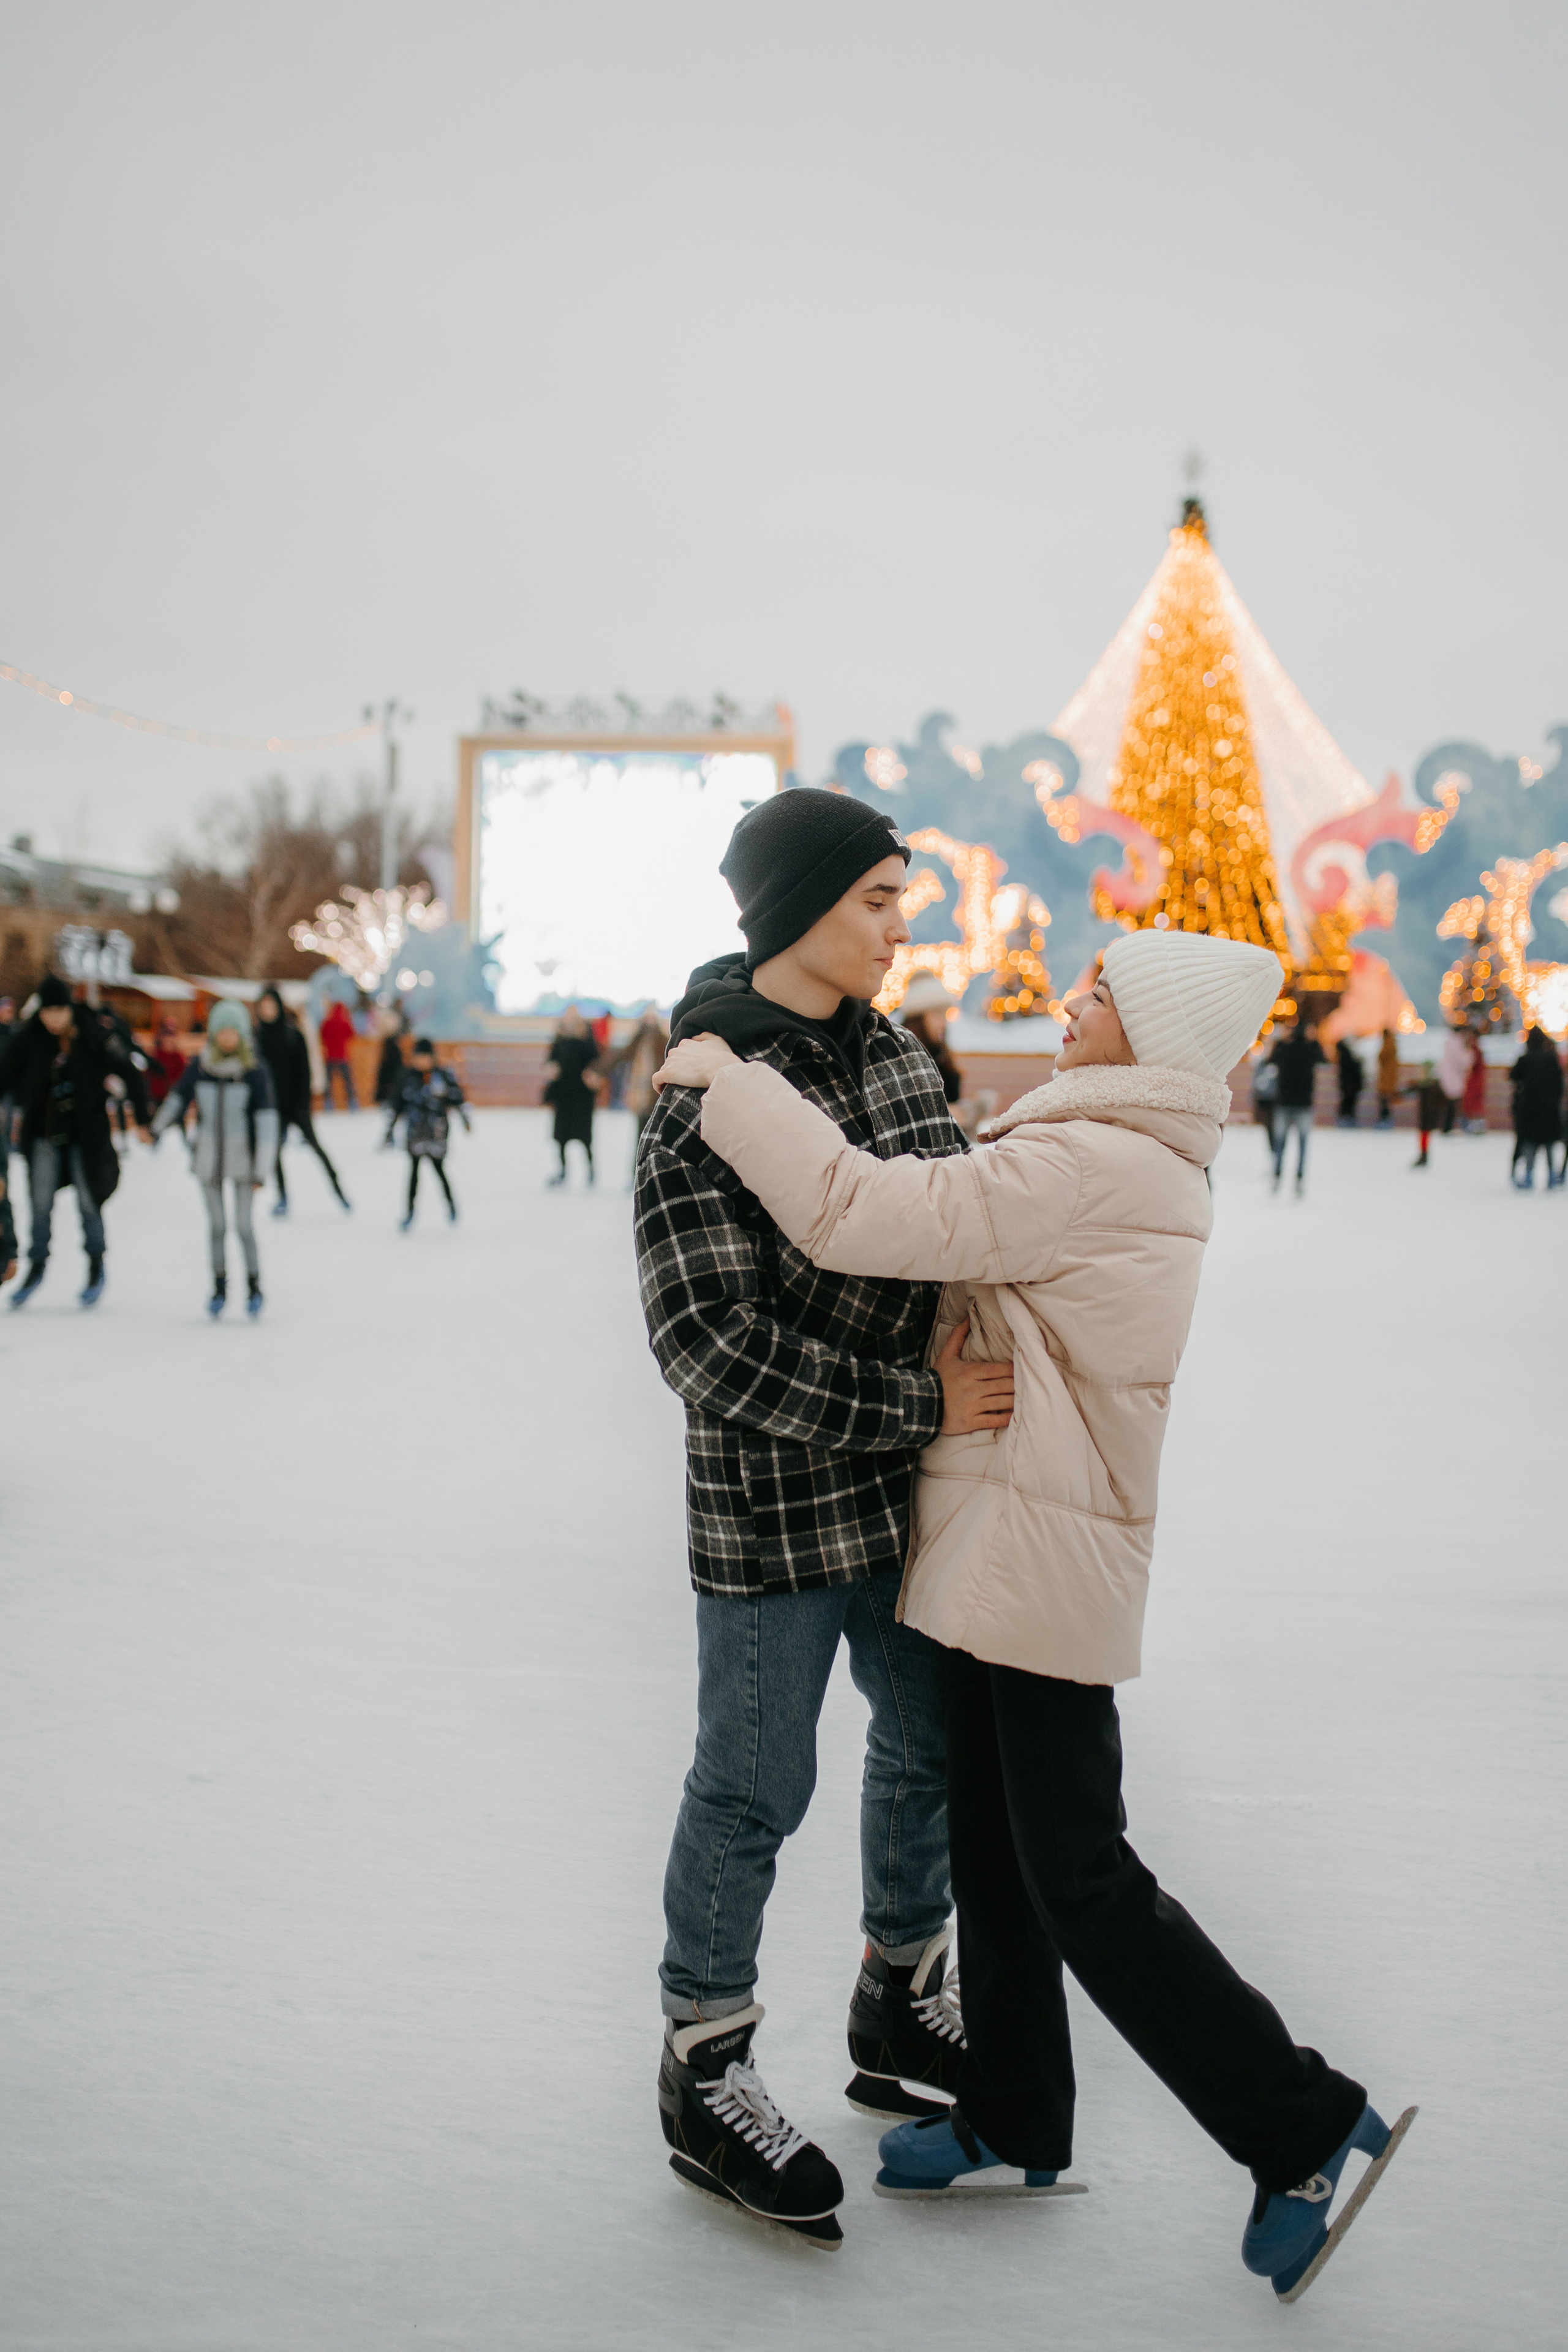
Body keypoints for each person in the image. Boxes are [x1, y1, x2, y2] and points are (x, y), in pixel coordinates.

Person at [658, 925, 1414, 2306]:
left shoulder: (1086, 1162)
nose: (1067, 1003)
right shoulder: (1100, 1149)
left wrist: (720, 1075)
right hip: (1010, 1539)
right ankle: (1014, 2111)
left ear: (1156, 1039)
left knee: (1078, 1877)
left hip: (1037, 1559)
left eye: (1099, 995)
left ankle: (1301, 2128)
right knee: (1000, 1854)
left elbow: (849, 1209)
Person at [636, 788, 1004, 2253]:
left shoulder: (899, 1055)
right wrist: (912, 1402)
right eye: (875, 899)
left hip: (906, 1503)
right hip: (776, 1509)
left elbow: (947, 1224)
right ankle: (702, 2064)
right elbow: (705, 1341)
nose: (900, 924)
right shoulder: (702, 1089)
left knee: (927, 1740)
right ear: (799, 908)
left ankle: (898, 1988)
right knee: (752, 1783)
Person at [1, 973, 152, 1308]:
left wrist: (142, 1119)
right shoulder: (30, 1039)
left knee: (88, 1200)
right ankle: (37, 1265)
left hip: (88, 1135)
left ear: (69, 1008)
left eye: (59, 1011)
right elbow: (5, 1075)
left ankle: (96, 1265)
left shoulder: (93, 1034)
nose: (53, 1019)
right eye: (47, 1012)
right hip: (44, 1134)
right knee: (39, 1203)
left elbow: (129, 1071)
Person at [153, 1000, 279, 1317]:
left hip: (244, 1161)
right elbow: (178, 1099)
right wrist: (155, 1127)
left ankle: (254, 1285)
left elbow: (267, 1123)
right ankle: (219, 1286)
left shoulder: (254, 1070)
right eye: (221, 1031)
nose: (227, 1038)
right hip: (208, 1158)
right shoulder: (201, 1066)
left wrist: (262, 1169)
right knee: (218, 1226)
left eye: (232, 1032)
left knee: (243, 1225)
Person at [255, 987, 350, 1215]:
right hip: (272, 1107)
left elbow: (304, 1072)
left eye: (271, 1006)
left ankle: (339, 1190)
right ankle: (283, 1197)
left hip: (296, 1105)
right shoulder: (257, 1037)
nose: (268, 1011)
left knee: (316, 1148)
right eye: (264, 1007)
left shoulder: (292, 1034)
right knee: (275, 1153)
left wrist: (303, 1104)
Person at [385, 1036, 470, 1227]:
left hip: (436, 1132)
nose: (421, 1061)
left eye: (425, 1057)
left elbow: (457, 1098)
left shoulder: (443, 1076)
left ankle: (451, 1207)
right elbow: (397, 1106)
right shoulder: (407, 1077)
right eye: (418, 1057)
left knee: (439, 1171)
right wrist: (389, 1131)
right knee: (414, 1174)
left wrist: (465, 1120)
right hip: (415, 1133)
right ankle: (409, 1212)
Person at [542, 1005, 601, 1186]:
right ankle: (562, 1171)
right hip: (564, 1095)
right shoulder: (559, 1040)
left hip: (582, 1096)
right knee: (561, 1138)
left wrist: (592, 1075)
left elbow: (597, 1062)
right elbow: (550, 1061)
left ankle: (591, 1172)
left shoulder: (587, 1040)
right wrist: (551, 1069)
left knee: (585, 1139)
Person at [1265, 1017, 1324, 1195]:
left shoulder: (1285, 1048)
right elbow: (1323, 1058)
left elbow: (1270, 1060)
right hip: (1304, 1103)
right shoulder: (1310, 1049)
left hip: (1284, 1102)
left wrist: (1281, 1039)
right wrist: (1315, 1039)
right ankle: (1299, 1178)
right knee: (1303, 1144)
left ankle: (1277, 1176)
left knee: (1280, 1143)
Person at [609, 1006, 669, 1173]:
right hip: (640, 1096)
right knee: (640, 1136)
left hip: (656, 1095)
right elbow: (619, 1057)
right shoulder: (637, 1040)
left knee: (656, 1137)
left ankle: (653, 1171)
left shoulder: (663, 1041)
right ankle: (637, 1172)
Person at [1508, 1026, 1564, 1188]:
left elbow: (1513, 1076)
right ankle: (1552, 1176)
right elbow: (1559, 1085)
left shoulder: (1525, 1059)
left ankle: (1529, 1175)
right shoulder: (1552, 1059)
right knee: (1549, 1144)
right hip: (1549, 1108)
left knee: (1530, 1144)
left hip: (1530, 1108)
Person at [898, 974, 963, 1106]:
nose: (944, 1024)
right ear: (919, 1019)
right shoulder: (900, 1054)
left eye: (945, 1015)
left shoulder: (941, 1054)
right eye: (938, 1014)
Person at [320, 998, 358, 1109]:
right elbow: (352, 1034)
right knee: (348, 1081)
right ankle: (352, 1103)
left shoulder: (327, 1021)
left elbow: (322, 1035)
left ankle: (328, 1103)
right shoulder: (345, 1021)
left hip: (330, 1056)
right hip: (342, 1056)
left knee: (329, 1082)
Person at [1409, 1063, 1449, 1167]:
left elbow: (1444, 1101)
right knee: (1423, 1135)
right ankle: (1423, 1156)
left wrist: (1437, 1111)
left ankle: (1424, 1156)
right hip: (1424, 1115)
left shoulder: (1433, 1086)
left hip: (1430, 1116)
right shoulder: (1423, 1086)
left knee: (1424, 1135)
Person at [374, 1009, 410, 1116]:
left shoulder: (391, 1047)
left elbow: (392, 1068)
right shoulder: (390, 1045)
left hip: (391, 1086)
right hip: (392, 1086)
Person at [1436, 1024, 1469, 1135]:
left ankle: (1447, 1126)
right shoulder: (1457, 1043)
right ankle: (1449, 1126)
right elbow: (1462, 1061)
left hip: (1448, 1077)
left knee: (1449, 1104)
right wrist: (1470, 1056)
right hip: (1454, 1078)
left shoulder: (1449, 1043)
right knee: (1453, 1104)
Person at [1461, 1030, 1489, 1133]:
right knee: (1471, 1105)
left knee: (1474, 1104)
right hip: (1474, 1083)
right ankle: (1475, 1126)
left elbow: (1469, 1067)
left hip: (1474, 1083)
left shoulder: (1475, 1052)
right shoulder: (1475, 1051)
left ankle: (1475, 1126)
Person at [1334, 1035, 1363, 1126]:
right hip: (1350, 1082)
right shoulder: (1347, 1053)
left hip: (1348, 1082)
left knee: (1348, 1100)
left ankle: (1346, 1118)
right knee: (1348, 1101)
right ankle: (1346, 1118)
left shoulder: (1345, 1052)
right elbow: (1351, 1067)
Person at [1376, 1028, 1400, 1125]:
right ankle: (1386, 1119)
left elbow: (1382, 1057)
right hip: (1389, 1077)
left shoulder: (1387, 1044)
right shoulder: (1392, 1043)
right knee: (1386, 1099)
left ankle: (1385, 1119)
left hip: (1386, 1078)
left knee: (1385, 1099)